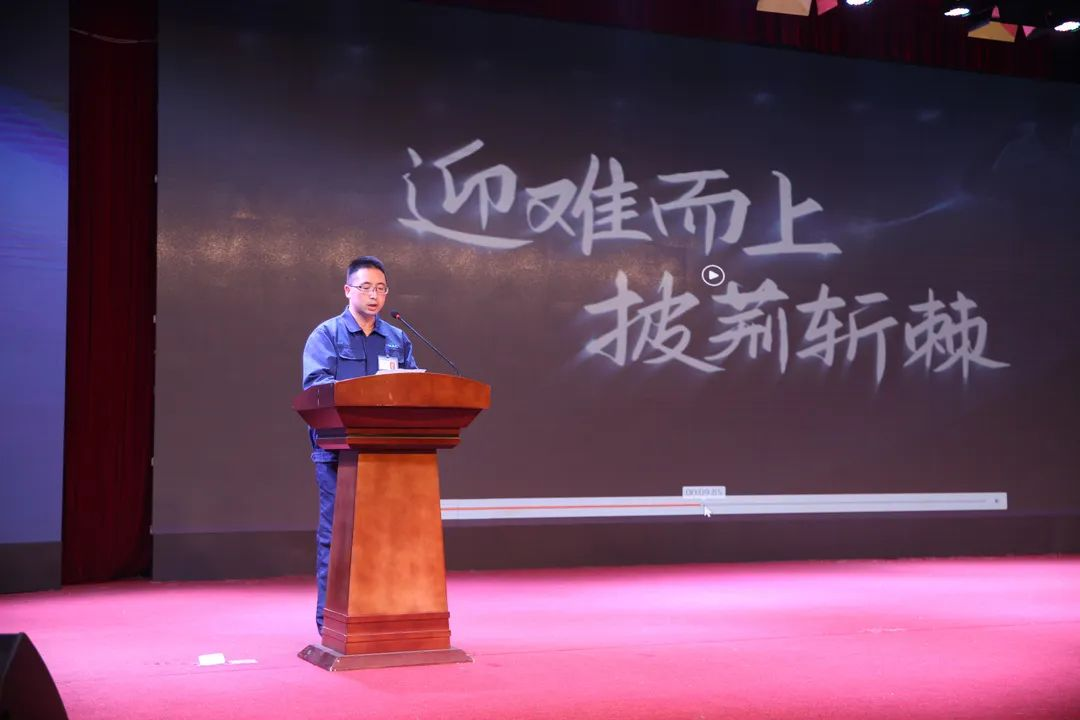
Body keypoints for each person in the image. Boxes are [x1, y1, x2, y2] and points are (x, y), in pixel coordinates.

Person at [301, 255, 418, 632]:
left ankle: (381, 616)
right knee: (337, 537)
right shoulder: (326, 335)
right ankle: (330, 622)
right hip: (338, 454)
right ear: (348, 290)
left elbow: (413, 388)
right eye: (366, 287)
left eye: (381, 288)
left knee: (387, 536)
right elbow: (316, 390)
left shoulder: (397, 338)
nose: (374, 295)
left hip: (388, 455)